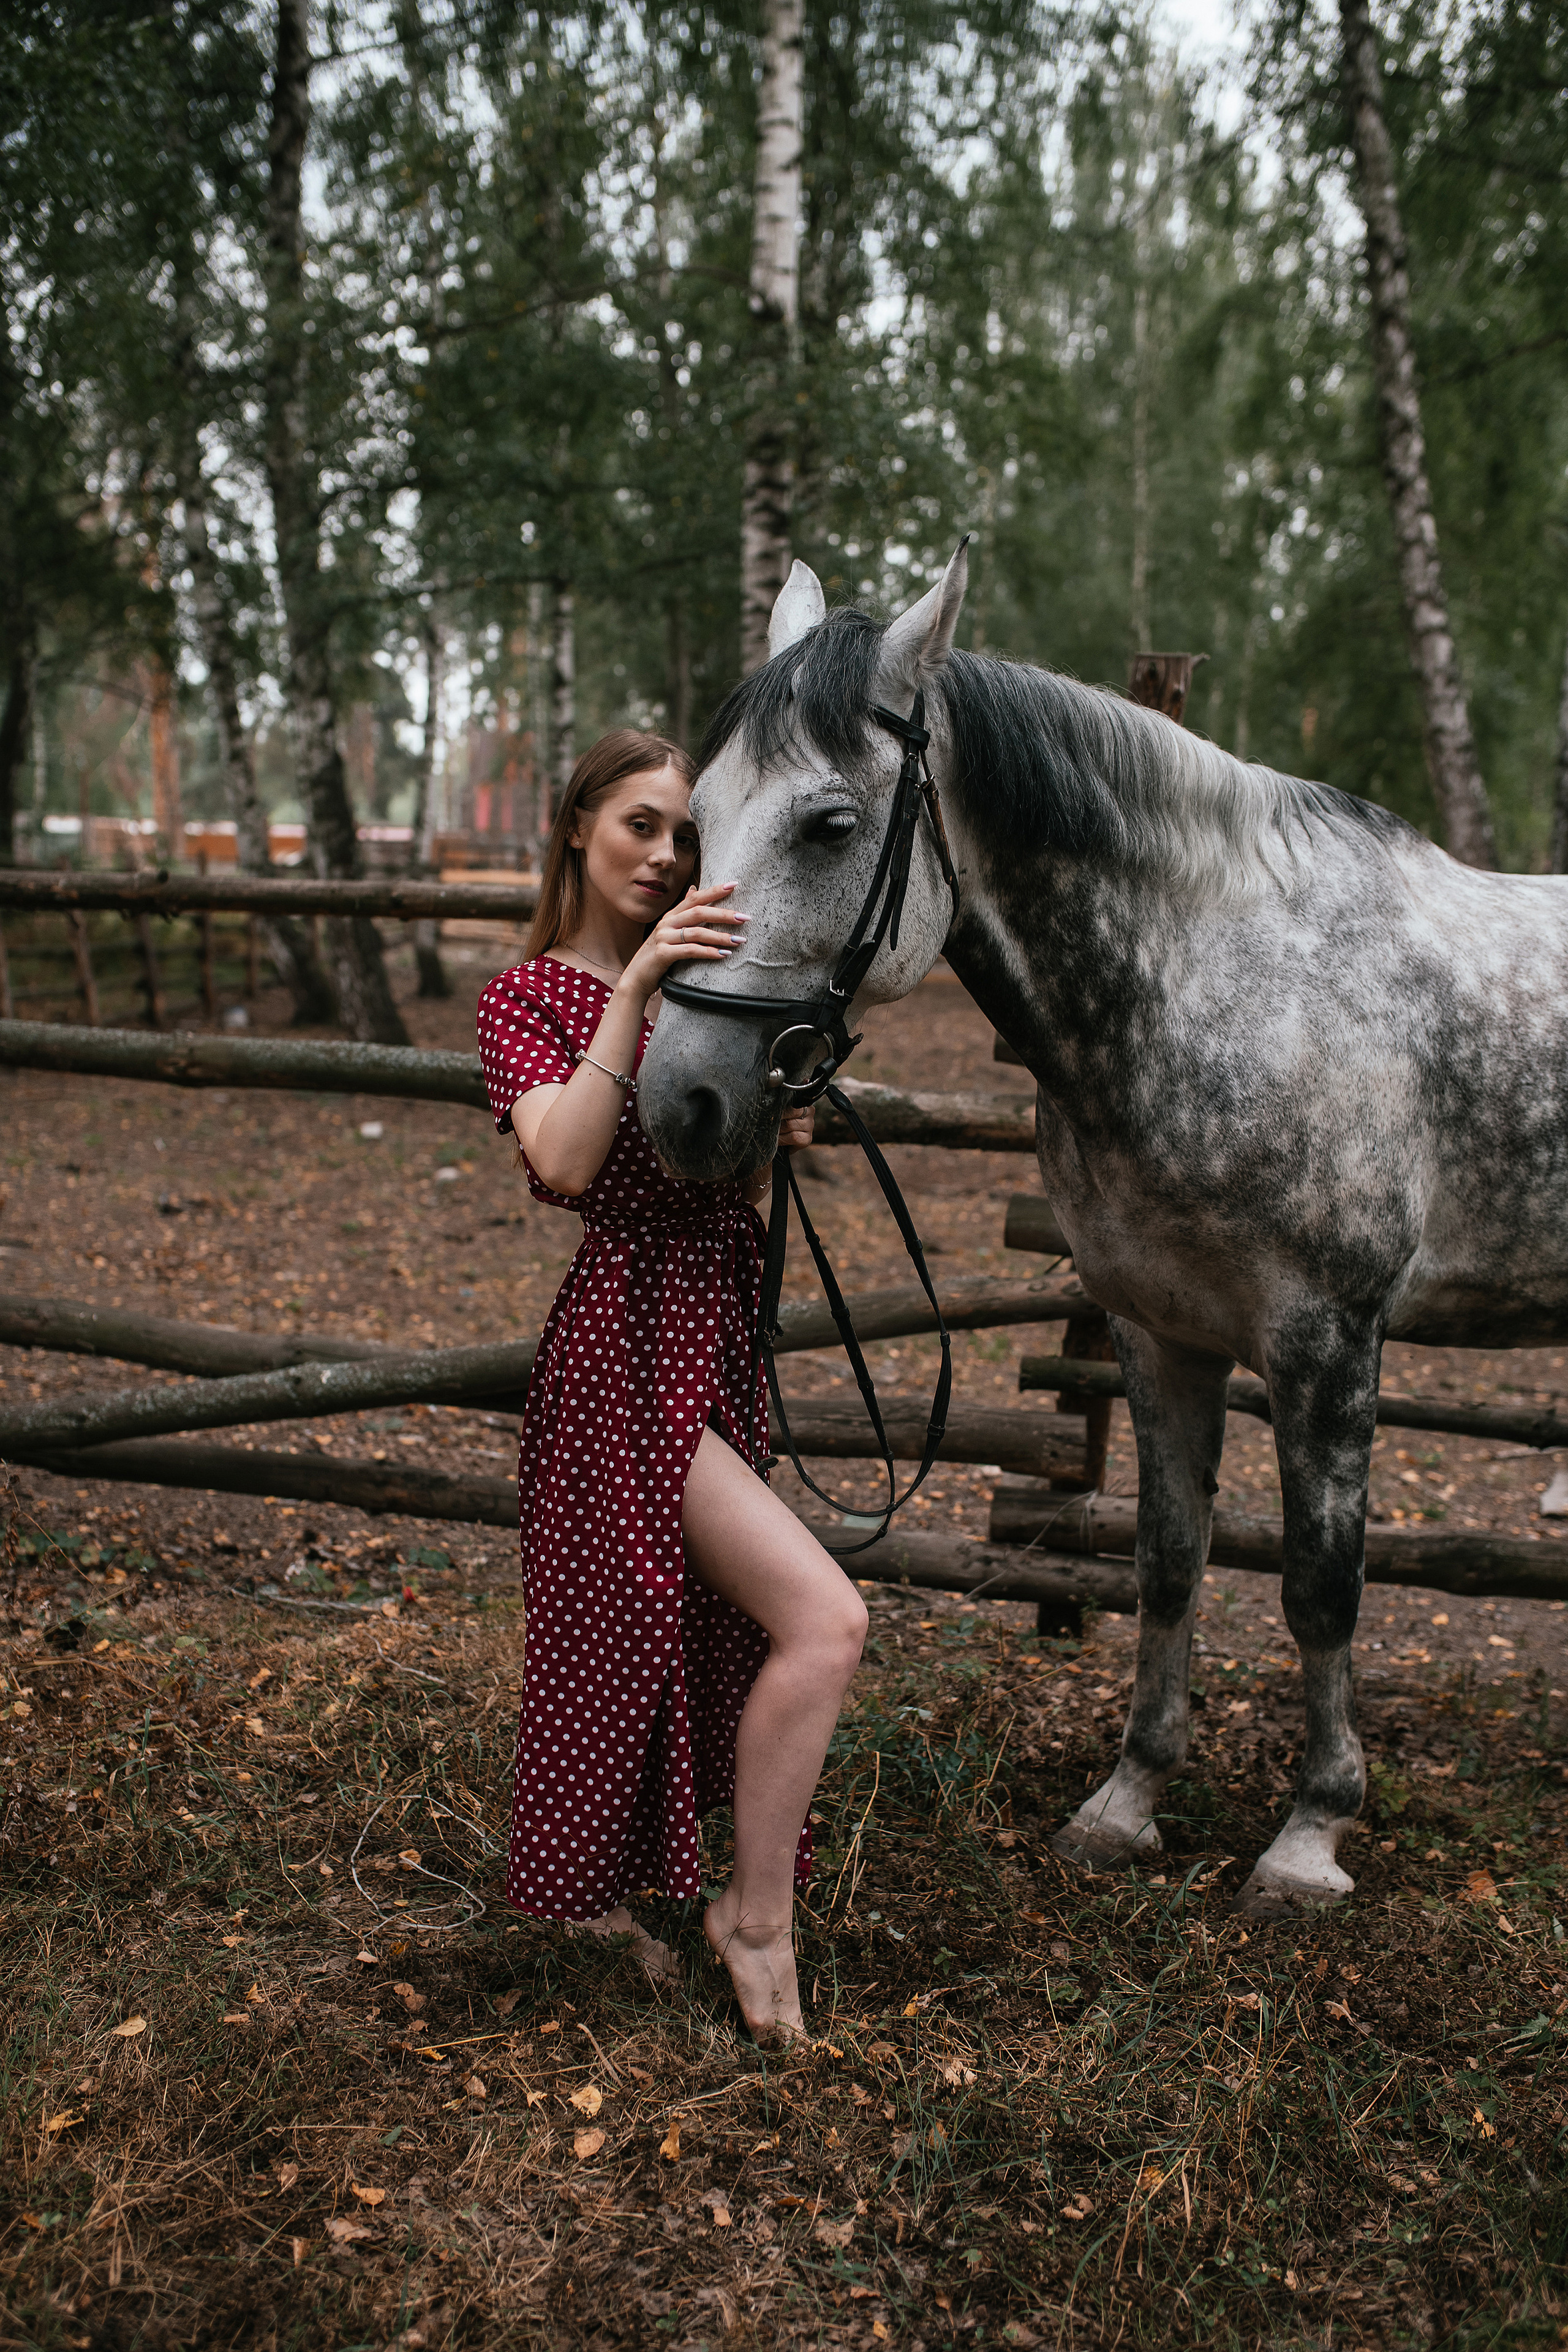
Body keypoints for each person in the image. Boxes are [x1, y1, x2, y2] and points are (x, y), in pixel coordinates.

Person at [476, 728, 867, 2042]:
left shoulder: (721, 993)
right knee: (821, 1620)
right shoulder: (526, 998)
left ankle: (700, 1898)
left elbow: (713, 1178)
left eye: (687, 835)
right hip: (618, 1351)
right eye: (641, 825)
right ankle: (752, 1921)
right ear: (576, 829)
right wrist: (635, 988)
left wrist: (772, 1128)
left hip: (708, 1327)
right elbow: (573, 1166)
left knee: (705, 1634)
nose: (665, 856)